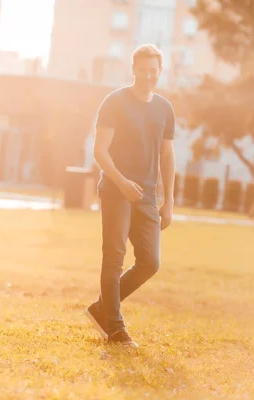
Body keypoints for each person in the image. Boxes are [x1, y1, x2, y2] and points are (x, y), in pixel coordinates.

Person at [84, 44, 176, 348]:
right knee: (114, 257)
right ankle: (115, 328)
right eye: (143, 70)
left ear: (160, 72)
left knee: (150, 262)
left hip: (148, 196)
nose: (148, 76)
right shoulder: (115, 102)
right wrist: (122, 182)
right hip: (115, 190)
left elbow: (167, 154)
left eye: (154, 71)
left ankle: (102, 307)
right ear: (134, 69)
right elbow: (100, 150)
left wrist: (169, 200)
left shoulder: (164, 108)